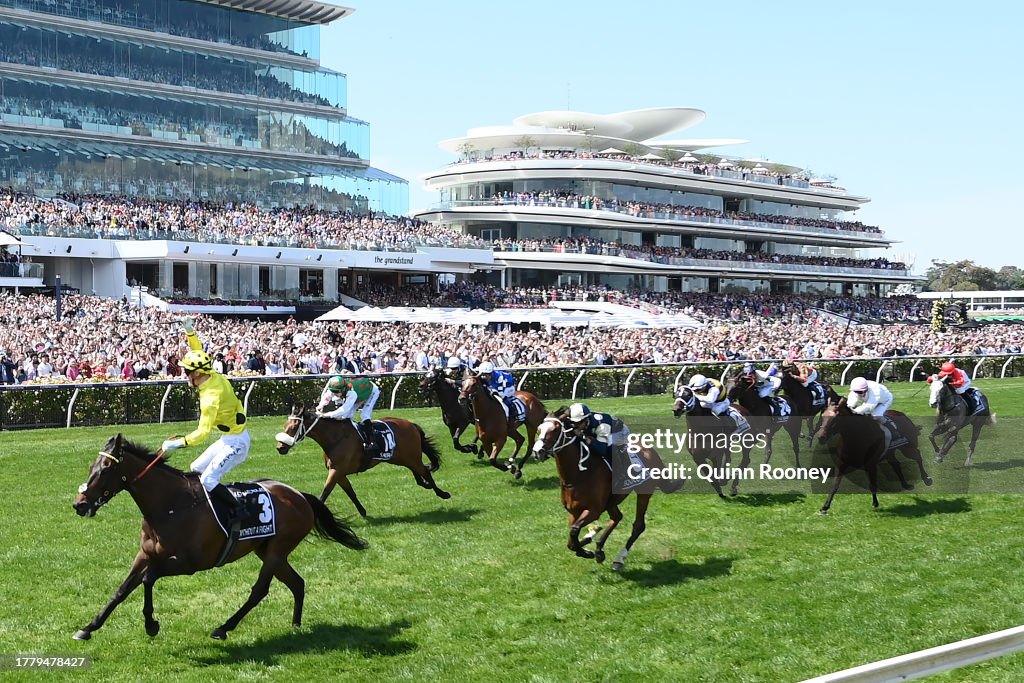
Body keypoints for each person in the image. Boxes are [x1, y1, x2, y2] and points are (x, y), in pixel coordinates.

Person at [160, 317, 249, 525]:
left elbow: (202, 433)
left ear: (198, 373)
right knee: (196, 468)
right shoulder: (211, 373)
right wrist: (190, 332)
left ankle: (239, 511)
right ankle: (205, 508)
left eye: (187, 372)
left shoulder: (210, 398)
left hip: (238, 443)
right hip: (229, 438)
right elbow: (198, 352)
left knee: (208, 479)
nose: (185, 375)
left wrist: (177, 443)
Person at [317, 371, 382, 456]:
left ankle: (372, 442)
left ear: (343, 389)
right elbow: (327, 396)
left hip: (371, 392)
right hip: (360, 393)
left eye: (336, 392)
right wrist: (320, 405)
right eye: (333, 391)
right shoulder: (336, 388)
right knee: (347, 416)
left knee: (364, 415)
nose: (334, 394)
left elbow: (343, 410)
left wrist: (326, 415)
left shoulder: (351, 393)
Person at [566, 402, 629, 469]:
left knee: (609, 443)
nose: (574, 426)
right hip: (602, 429)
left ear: (586, 420)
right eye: (572, 422)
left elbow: (602, 450)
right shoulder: (585, 420)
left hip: (619, 432)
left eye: (577, 423)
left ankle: (619, 468)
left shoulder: (602, 426)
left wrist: (586, 439)